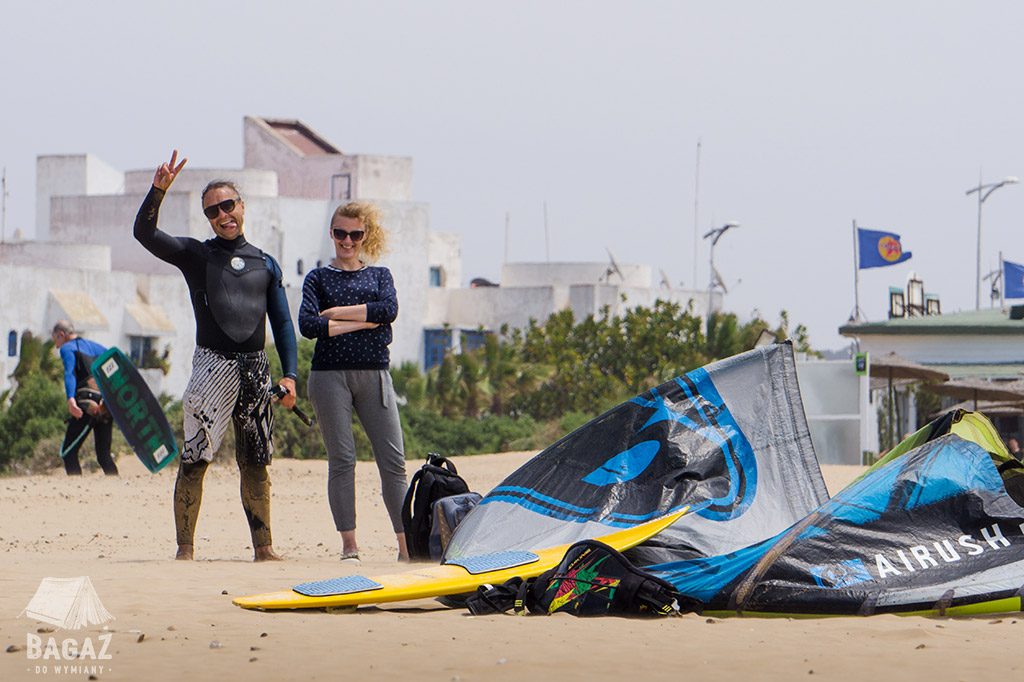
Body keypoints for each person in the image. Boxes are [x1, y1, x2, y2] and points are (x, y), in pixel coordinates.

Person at [134, 150, 298, 562]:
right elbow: (145, 234)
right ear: (208, 218)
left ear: (242, 207)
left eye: (228, 205)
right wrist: (158, 191)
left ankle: (265, 549)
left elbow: (281, 324)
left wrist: (291, 375)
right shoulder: (197, 255)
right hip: (213, 367)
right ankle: (185, 550)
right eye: (213, 211)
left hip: (256, 369)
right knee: (195, 458)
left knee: (257, 460)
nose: (223, 214)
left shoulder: (266, 263)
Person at [298, 201, 409, 562]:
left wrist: (336, 314)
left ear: (365, 236)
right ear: (331, 234)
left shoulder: (380, 275)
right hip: (329, 377)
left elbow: (388, 310)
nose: (347, 241)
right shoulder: (317, 278)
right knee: (342, 459)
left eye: (355, 234)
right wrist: (365, 321)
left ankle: (407, 545)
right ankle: (349, 545)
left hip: (375, 373)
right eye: (341, 233)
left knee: (393, 461)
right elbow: (308, 326)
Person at [52, 320, 118, 476]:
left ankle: (76, 491)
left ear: (62, 335)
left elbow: (70, 373)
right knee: (104, 455)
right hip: (105, 405)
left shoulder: (67, 348)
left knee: (68, 452)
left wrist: (70, 399)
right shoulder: (98, 347)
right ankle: (118, 488)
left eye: (56, 340)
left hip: (86, 405)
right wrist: (109, 398)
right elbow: (115, 369)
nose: (56, 345)